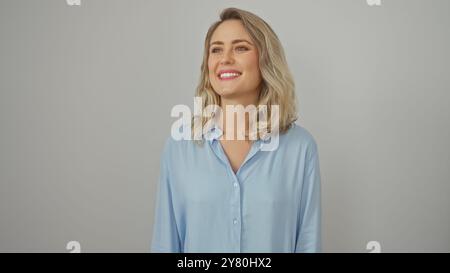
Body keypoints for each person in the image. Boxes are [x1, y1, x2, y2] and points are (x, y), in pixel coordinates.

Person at [151, 7, 321, 253]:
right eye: (216, 49)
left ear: (265, 60)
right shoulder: (179, 145)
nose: (225, 58)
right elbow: (165, 244)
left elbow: (308, 243)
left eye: (241, 48)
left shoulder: (300, 148)